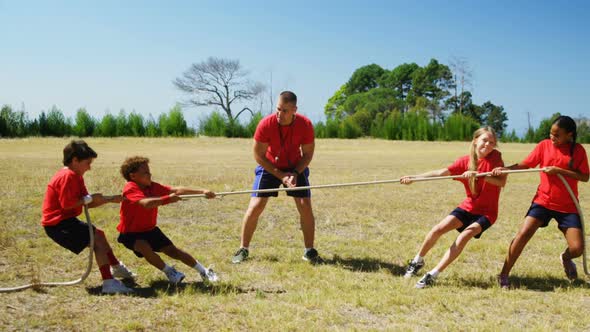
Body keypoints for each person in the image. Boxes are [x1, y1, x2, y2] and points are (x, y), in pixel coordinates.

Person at [401, 127, 507, 288]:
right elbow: (441, 172)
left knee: (464, 236)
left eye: (492, 142)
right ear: (475, 141)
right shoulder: (464, 161)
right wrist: (414, 178)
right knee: (438, 229)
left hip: (487, 213)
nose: (488, 145)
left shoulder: (496, 159)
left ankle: (432, 274)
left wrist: (479, 175)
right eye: (484, 140)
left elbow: (501, 182)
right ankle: (417, 261)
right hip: (468, 207)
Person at [494, 115, 589, 288]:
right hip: (543, 201)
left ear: (569, 135)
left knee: (577, 248)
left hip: (568, 206)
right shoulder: (544, 145)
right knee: (522, 234)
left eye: (557, 135)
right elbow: (526, 164)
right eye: (551, 133)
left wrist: (560, 171)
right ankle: (504, 274)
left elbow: (585, 177)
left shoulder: (579, 151)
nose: (552, 137)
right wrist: (505, 169)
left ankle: (566, 259)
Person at [232, 91, 319, 263]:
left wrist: (294, 174)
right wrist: (280, 175)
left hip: (295, 167)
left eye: (285, 110)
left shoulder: (305, 125)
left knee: (305, 206)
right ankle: (243, 249)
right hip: (269, 166)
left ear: (295, 109)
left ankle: (309, 251)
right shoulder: (266, 124)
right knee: (256, 205)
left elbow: (307, 155)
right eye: (278, 109)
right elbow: (258, 155)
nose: (280, 113)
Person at [42, 140, 135, 294]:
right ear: (75, 160)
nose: (90, 167)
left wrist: (110, 199)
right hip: (58, 225)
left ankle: (116, 268)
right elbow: (68, 204)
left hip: (65, 221)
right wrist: (89, 199)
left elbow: (84, 202)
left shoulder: (76, 176)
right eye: (87, 163)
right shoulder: (68, 176)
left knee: (99, 235)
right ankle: (109, 283)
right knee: (97, 239)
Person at [118, 156, 219, 284]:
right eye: (145, 172)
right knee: (144, 247)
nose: (150, 174)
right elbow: (146, 203)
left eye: (149, 171)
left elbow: (176, 190)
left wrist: (203, 191)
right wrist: (167, 199)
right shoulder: (130, 187)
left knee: (173, 251)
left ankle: (203, 271)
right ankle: (169, 272)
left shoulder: (152, 186)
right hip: (130, 233)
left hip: (150, 230)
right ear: (133, 176)